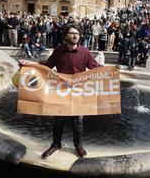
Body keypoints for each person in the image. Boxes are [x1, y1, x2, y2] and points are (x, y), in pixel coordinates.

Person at [20, 23, 101, 159]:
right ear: (65, 36)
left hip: (78, 91)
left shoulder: (85, 52)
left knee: (78, 121)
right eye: (72, 33)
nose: (75, 35)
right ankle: (56, 144)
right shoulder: (58, 51)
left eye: (77, 33)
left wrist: (113, 71)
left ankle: (78, 145)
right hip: (60, 91)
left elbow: (96, 67)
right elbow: (48, 65)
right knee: (58, 120)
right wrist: (29, 64)